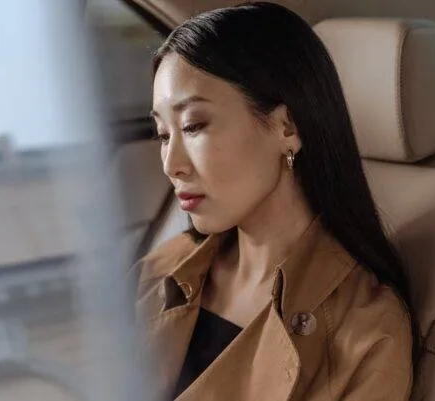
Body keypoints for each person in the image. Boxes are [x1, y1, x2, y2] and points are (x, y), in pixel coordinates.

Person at [132, 2, 418, 400]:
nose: (171, 165)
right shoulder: (163, 269)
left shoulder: (366, 331)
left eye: (193, 126)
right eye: (164, 135)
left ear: (287, 126)